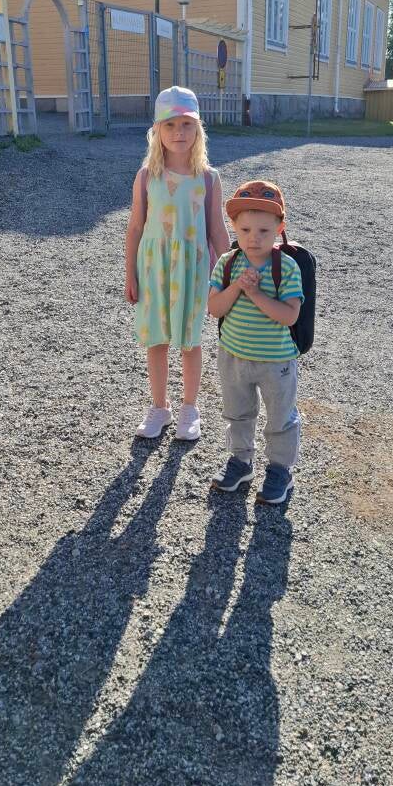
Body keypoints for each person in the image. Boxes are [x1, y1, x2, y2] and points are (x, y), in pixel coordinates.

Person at [125, 86, 230, 441]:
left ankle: (189, 408)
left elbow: (217, 230)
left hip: (193, 270)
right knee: (156, 340)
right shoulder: (146, 176)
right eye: (169, 125)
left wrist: (229, 275)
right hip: (154, 269)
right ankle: (160, 407)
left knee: (189, 340)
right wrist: (130, 274)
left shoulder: (209, 178)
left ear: (198, 129)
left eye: (186, 124)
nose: (178, 133)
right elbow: (135, 228)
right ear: (157, 130)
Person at [208, 180, 303, 504]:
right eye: (245, 229)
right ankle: (240, 461)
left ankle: (280, 470)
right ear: (233, 226)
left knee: (280, 418)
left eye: (264, 230)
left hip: (276, 361)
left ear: (279, 229)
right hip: (233, 355)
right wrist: (237, 286)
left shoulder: (286, 266)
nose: (254, 238)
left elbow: (289, 316)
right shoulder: (228, 262)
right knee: (237, 413)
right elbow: (214, 308)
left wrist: (255, 293)